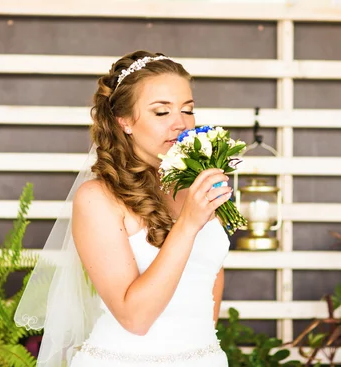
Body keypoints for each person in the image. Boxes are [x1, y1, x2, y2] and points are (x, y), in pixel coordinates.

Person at [14, 50, 233, 367]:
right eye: (161, 112)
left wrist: (199, 351)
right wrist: (187, 225)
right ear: (125, 121)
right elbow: (135, 318)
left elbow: (211, 271)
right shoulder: (97, 199)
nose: (180, 124)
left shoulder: (194, 186)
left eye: (188, 110)